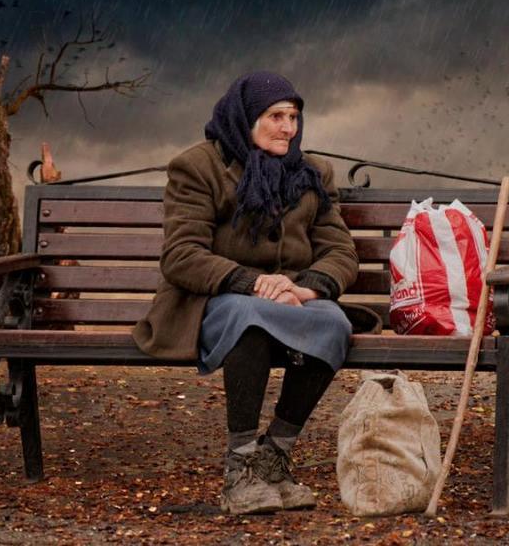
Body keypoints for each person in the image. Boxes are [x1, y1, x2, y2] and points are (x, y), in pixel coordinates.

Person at [133, 71, 366, 514]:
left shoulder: (312, 174)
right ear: (245, 118)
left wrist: (304, 288)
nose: (287, 128)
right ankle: (239, 470)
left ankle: (274, 456)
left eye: (293, 117)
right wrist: (255, 283)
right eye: (275, 116)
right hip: (214, 300)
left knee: (335, 323)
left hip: (292, 299)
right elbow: (182, 255)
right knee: (249, 319)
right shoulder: (199, 167)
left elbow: (340, 252)